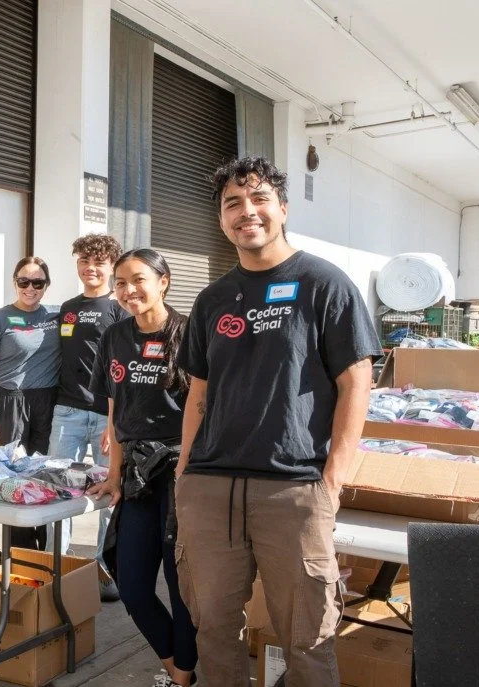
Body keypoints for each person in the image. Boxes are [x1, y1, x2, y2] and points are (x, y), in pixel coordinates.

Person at [174, 157, 381, 686]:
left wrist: (332, 480)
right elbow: (199, 394)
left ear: (282, 208)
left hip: (294, 490)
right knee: (213, 632)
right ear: (222, 219)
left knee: (308, 640)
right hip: (212, 488)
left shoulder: (324, 284)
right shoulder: (213, 299)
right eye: (233, 204)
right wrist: (184, 474)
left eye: (259, 198)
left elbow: (357, 382)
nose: (247, 212)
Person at [88, 249, 198, 687]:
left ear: (163, 281)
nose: (128, 290)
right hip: (137, 473)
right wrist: (114, 474)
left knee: (180, 586)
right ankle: (179, 669)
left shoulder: (191, 334)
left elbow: (204, 407)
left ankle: (181, 676)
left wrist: (191, 474)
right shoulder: (114, 336)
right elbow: (116, 410)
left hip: (182, 472)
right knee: (131, 584)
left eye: (137, 280)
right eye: (120, 282)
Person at [48, 233, 127, 601]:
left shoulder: (120, 310)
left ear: (111, 266)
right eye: (84, 261)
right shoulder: (67, 307)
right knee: (56, 489)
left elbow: (121, 368)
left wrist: (114, 422)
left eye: (98, 262)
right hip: (67, 410)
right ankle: (53, 565)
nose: (90, 268)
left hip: (106, 415)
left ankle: (104, 569)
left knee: (110, 495)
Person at [0, 256, 61, 549]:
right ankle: (20, 552)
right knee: (13, 477)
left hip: (47, 401)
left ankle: (44, 548)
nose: (30, 288)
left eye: (38, 282)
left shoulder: (57, 315)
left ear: (46, 286)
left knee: (43, 474)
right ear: (15, 282)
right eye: (24, 281)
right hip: (10, 401)